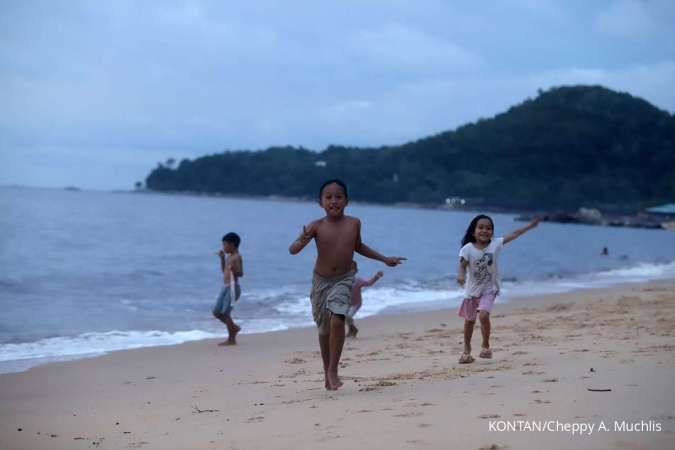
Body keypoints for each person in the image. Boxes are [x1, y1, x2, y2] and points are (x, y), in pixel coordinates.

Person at [289, 179, 405, 390]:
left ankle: (333, 369)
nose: (334, 201)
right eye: (329, 197)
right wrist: (302, 239)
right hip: (320, 282)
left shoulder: (354, 223)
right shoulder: (316, 226)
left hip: (344, 278)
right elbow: (293, 250)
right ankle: (327, 373)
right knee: (324, 330)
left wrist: (384, 259)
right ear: (320, 202)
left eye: (339, 196)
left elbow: (359, 246)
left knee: (338, 319)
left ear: (347, 201)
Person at [456, 215, 539, 363]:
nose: (485, 230)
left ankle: (485, 345)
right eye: (481, 227)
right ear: (473, 231)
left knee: (483, 315)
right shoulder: (467, 249)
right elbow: (462, 266)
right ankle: (467, 350)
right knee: (469, 322)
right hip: (471, 292)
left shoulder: (495, 244)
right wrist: (460, 276)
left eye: (489, 228)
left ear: (492, 232)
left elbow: (514, 234)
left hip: (490, 289)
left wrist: (530, 226)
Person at [212, 232, 243, 346]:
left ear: (233, 245)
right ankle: (233, 328)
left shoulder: (237, 257)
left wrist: (234, 269)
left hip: (233, 288)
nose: (223, 247)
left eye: (225, 245)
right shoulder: (229, 257)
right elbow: (224, 271)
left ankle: (232, 338)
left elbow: (240, 273)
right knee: (216, 312)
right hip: (225, 287)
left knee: (225, 313)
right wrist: (222, 259)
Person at [346, 261, 383, 338]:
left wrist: (376, 276)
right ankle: (351, 330)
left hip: (356, 304)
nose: (350, 271)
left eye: (352, 269)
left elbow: (369, 283)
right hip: (346, 303)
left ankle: (353, 329)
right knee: (343, 317)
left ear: (356, 270)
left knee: (348, 316)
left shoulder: (358, 281)